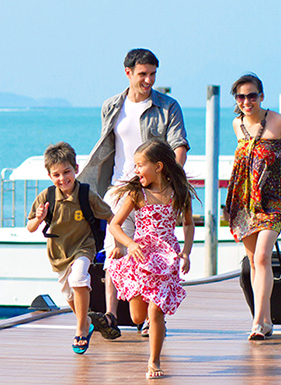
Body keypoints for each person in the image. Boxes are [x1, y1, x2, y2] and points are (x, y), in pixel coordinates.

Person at [78, 48, 189, 340]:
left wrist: (169, 181)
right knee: (114, 247)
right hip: (119, 187)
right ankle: (112, 316)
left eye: (153, 74)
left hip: (153, 189)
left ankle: (150, 317)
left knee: (153, 251)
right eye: (143, 74)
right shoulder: (112, 105)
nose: (148, 80)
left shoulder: (168, 107)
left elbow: (179, 144)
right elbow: (107, 145)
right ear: (128, 73)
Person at [225, 73, 281, 340]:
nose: (246, 101)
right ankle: (264, 321)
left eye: (252, 95)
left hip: (274, 201)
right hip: (245, 203)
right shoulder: (237, 124)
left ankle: (258, 322)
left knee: (264, 256)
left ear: (261, 96)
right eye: (241, 97)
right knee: (254, 261)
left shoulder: (279, 122)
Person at [107, 139, 196, 379]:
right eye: (135, 166)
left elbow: (188, 224)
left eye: (140, 165)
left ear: (158, 166)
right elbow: (114, 225)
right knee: (138, 316)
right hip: (141, 257)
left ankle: (154, 360)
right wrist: (130, 244)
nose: (136, 171)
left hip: (167, 258)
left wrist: (186, 252)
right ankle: (153, 323)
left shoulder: (178, 192)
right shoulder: (138, 193)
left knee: (156, 311)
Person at [27, 142, 114, 354]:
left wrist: (117, 242)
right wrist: (38, 219)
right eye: (56, 175)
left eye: (67, 172)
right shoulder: (46, 197)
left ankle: (80, 330)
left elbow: (110, 215)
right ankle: (86, 324)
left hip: (84, 247)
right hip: (58, 254)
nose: (63, 178)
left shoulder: (86, 194)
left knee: (78, 278)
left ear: (76, 168)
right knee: (68, 294)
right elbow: (30, 227)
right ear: (49, 176)